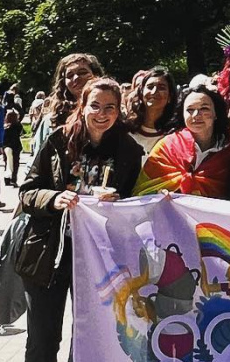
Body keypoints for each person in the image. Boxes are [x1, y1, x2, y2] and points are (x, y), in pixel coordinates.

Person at [18, 77, 141, 362]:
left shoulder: (128, 150)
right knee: (43, 339)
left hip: (99, 258)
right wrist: (53, 198)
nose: (102, 114)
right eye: (95, 106)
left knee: (88, 337)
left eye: (110, 107)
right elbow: (27, 193)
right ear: (82, 106)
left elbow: (135, 206)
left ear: (119, 110)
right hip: (49, 252)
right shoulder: (59, 140)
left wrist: (118, 201)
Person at [134, 83, 230, 197]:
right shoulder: (166, 147)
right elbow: (141, 193)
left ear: (216, 113)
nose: (196, 115)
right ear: (182, 114)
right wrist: (158, 194)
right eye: (190, 110)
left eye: (204, 108)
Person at [32, 53, 104, 154]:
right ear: (64, 83)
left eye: (82, 72)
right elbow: (37, 162)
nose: (76, 78)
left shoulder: (111, 115)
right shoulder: (52, 120)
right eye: (70, 75)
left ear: (96, 76)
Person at [124, 66, 178, 155]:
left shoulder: (175, 135)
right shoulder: (126, 130)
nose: (154, 92)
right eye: (150, 87)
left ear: (170, 96)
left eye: (161, 87)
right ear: (141, 93)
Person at [3, 109, 25, 187]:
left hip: (6, 146)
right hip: (15, 146)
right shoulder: (18, 125)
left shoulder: (5, 127)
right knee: (15, 163)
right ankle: (13, 179)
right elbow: (22, 133)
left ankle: (7, 179)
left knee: (7, 162)